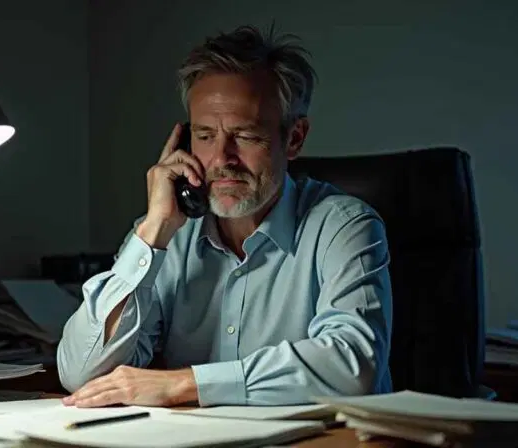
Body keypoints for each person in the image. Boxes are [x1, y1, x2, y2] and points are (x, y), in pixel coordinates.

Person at [57, 24, 393, 408]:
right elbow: (81, 374)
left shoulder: (344, 226)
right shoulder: (169, 236)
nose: (220, 160)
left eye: (246, 136)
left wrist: (188, 384)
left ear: (295, 138)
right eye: (204, 136)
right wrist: (152, 233)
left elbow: (354, 365)